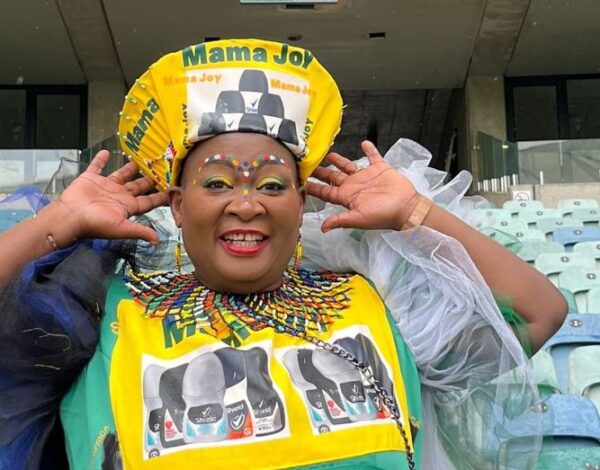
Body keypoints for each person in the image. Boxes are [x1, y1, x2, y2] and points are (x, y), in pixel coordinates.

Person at [0, 39, 566, 470]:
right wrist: (53, 226)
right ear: (177, 205)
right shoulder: (101, 310)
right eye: (216, 184)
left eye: (272, 186)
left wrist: (415, 213)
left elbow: (540, 311)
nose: (246, 205)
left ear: (301, 205)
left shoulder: (372, 302)